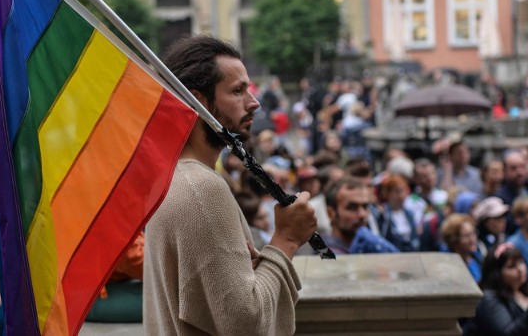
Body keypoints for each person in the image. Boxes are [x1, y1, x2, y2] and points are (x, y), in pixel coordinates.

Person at [143, 35, 318, 335]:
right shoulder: (201, 189)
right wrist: (286, 240)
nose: (254, 102)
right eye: (237, 91)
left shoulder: (173, 176)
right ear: (199, 101)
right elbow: (247, 324)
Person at [319, 177, 398, 255]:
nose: (362, 214)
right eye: (352, 207)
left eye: (365, 206)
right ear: (331, 214)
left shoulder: (370, 248)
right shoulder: (326, 253)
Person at [463, 243, 528, 335]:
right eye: (512, 266)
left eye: (521, 262)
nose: (520, 269)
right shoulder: (489, 299)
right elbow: (508, 333)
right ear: (497, 273)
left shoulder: (523, 291)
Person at [440, 213, 484, 283]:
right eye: (467, 236)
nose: (473, 239)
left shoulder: (477, 257)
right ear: (454, 240)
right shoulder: (445, 266)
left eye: (473, 233)